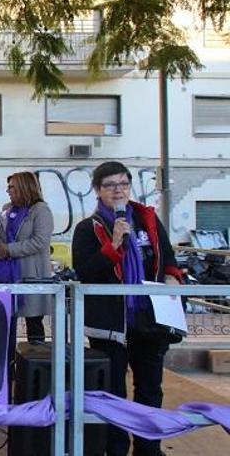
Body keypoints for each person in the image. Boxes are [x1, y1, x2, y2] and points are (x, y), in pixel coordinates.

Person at [72, 161, 183, 456]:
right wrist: (114, 242)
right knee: (114, 394)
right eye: (110, 185)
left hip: (149, 320)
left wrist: (172, 276)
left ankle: (149, 449)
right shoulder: (87, 229)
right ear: (98, 190)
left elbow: (167, 257)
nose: (118, 190)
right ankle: (116, 450)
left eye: (123, 184)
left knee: (150, 390)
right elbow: (86, 271)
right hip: (111, 325)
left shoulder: (147, 219)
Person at [0, 171, 54, 342]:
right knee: (5, 321)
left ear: (23, 187)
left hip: (30, 274)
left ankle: (35, 362)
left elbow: (40, 241)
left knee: (33, 322)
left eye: (11, 187)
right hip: (7, 275)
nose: (8, 191)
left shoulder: (41, 210)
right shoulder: (7, 211)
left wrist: (10, 250)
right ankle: (8, 363)